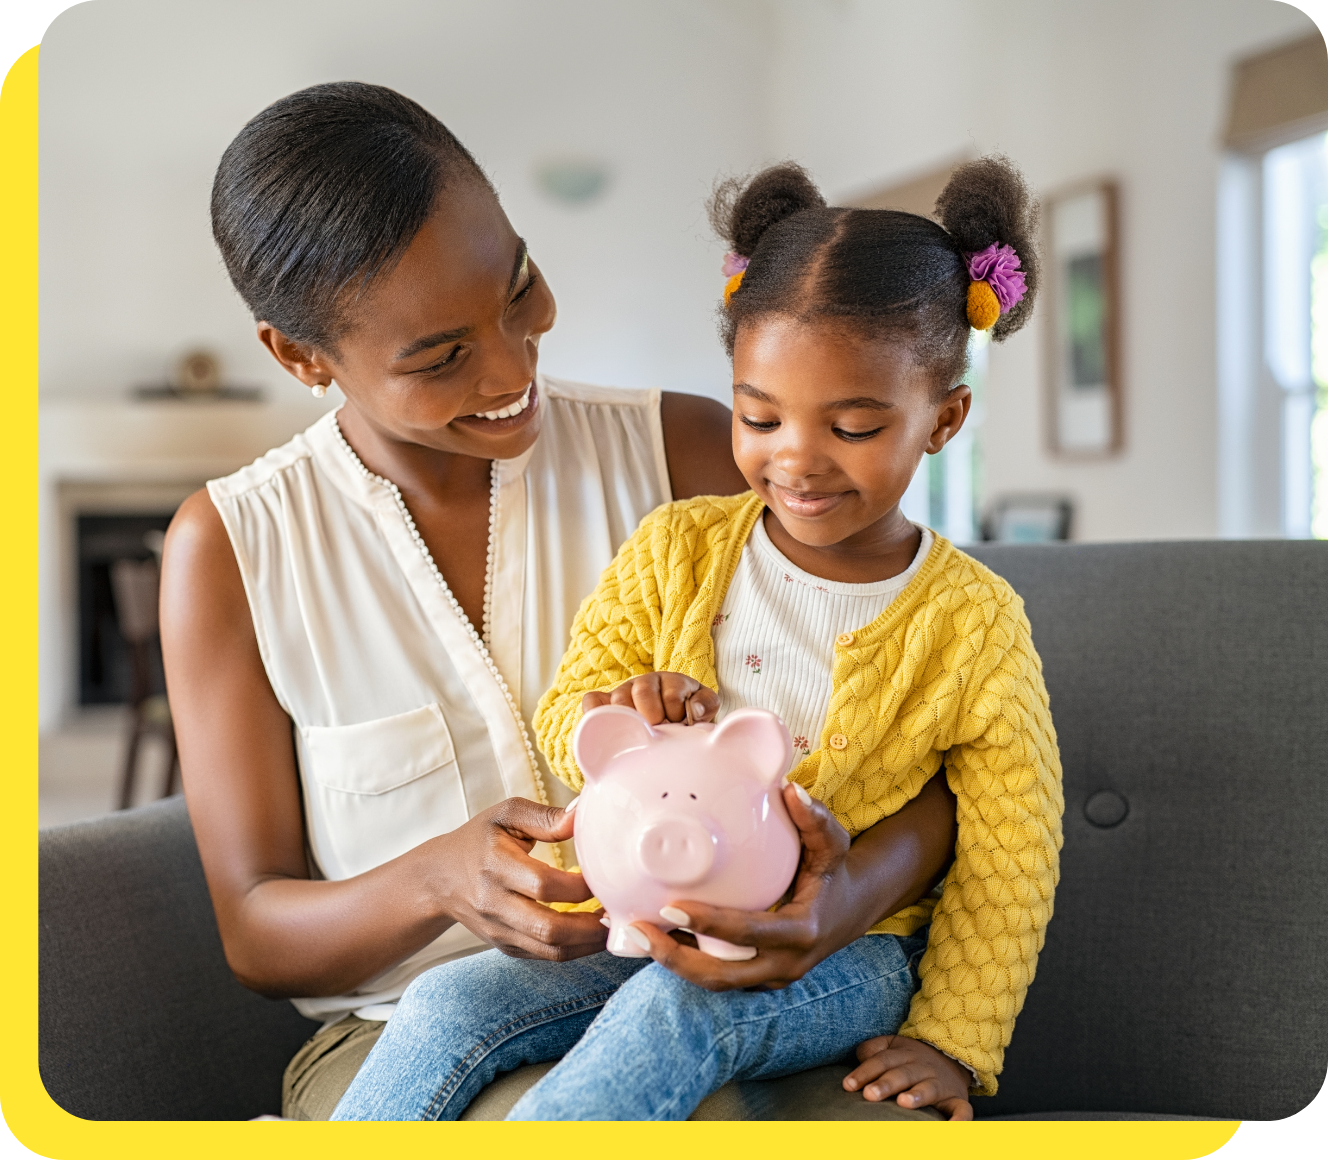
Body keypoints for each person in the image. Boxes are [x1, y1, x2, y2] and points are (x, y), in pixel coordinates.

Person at [159, 82, 960, 1121]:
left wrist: (839, 900)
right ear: (300, 356)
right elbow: (257, 931)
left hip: (714, 986)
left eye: (519, 285)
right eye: (441, 356)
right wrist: (434, 880)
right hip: (402, 1037)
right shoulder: (232, 546)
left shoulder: (688, 454)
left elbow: (940, 733)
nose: (511, 363)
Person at [331, 156, 1064, 1123]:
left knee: (677, 1014)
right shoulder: (678, 548)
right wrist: (618, 710)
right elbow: (569, 712)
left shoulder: (973, 623)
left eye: (851, 426)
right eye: (759, 417)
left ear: (944, 419)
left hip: (855, 951)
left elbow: (1014, 853)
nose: (794, 458)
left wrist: (953, 1044)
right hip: (643, 917)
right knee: (450, 1000)